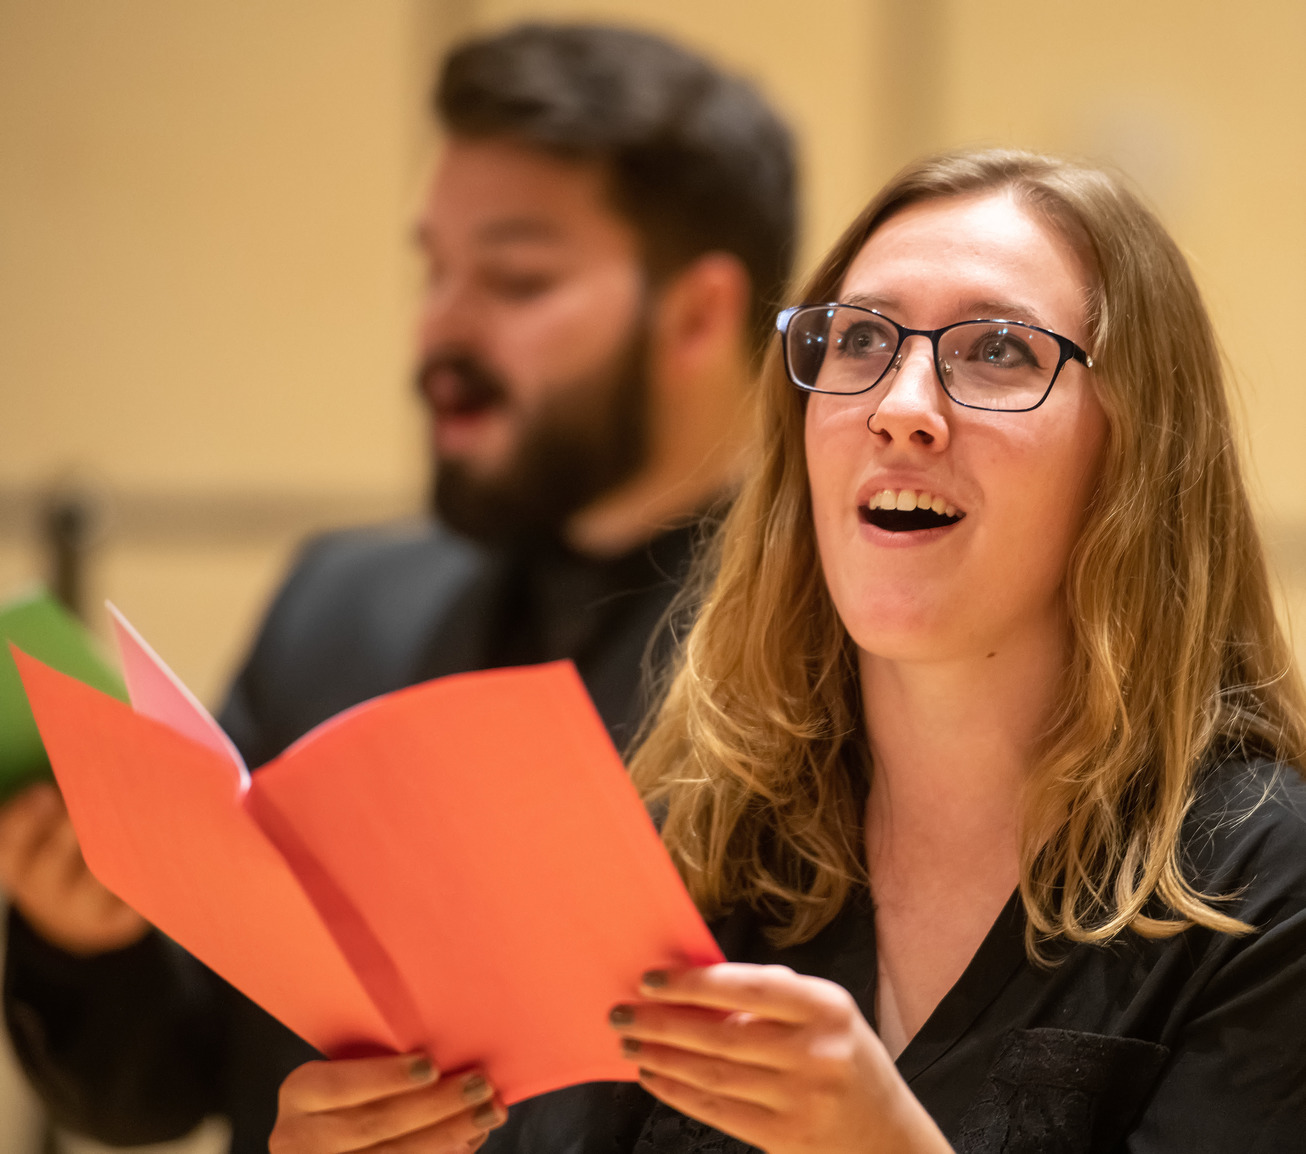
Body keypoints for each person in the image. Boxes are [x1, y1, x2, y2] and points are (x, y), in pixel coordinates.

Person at [264, 149, 1306, 1153]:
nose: (900, 408)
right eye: (857, 340)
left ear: (1136, 452)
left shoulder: (1265, 881)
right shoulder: (694, 846)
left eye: (998, 351)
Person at [0, 23, 796, 1154]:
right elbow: (157, 1088)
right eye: (436, 270)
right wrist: (87, 932)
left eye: (516, 278)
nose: (441, 331)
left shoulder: (828, 658)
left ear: (699, 312)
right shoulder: (341, 601)